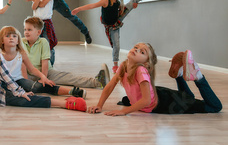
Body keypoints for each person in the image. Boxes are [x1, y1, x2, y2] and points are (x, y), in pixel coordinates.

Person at [87, 43, 222, 116]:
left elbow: (146, 101)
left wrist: (124, 112)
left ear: (146, 63)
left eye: (142, 52)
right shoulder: (123, 66)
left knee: (215, 107)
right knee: (188, 97)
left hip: (165, 103)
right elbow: (110, 85)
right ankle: (179, 75)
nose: (136, 50)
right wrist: (99, 105)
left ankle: (198, 77)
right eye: (136, 47)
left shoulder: (141, 71)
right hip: (158, 94)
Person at [72, 0, 155, 73]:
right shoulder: (106, 1)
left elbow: (120, 11)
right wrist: (79, 9)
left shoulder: (118, 3)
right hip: (110, 27)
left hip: (116, 22)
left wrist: (133, 7)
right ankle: (115, 65)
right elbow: (92, 6)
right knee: (116, 45)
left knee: (131, 3)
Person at [0, 26, 86, 99]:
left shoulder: (21, 54)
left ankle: (72, 91)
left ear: (18, 41)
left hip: (18, 80)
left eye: (14, 36)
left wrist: (43, 76)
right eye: (7, 36)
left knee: (38, 86)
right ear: (2, 40)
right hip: (3, 82)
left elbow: (32, 69)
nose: (11, 38)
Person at [22, 16, 109, 89]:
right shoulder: (21, 42)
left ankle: (97, 82)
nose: (26, 32)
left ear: (38, 32)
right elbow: (22, 64)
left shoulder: (43, 42)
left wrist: (43, 77)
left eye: (29, 30)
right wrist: (25, 82)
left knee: (69, 78)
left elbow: (45, 62)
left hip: (47, 73)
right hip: (29, 74)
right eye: (25, 29)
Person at [23, 0, 57, 64]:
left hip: (46, 23)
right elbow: (34, 7)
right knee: (37, 42)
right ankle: (39, 62)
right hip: (36, 23)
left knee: (47, 43)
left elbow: (41, 4)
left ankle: (50, 64)